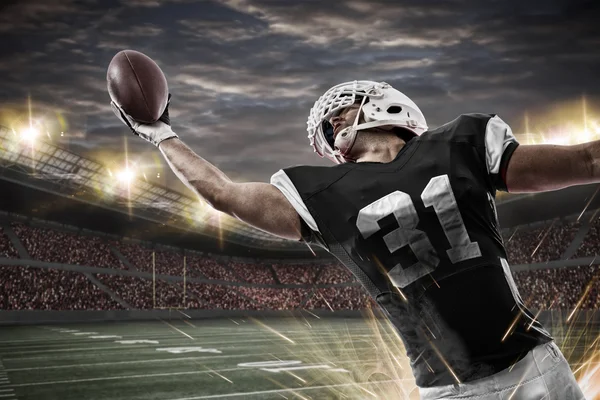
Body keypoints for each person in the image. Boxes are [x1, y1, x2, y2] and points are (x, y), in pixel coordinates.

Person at [111, 80, 587, 399]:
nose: (332, 123)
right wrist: (161, 134)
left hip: (533, 363)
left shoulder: (460, 141)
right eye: (328, 123)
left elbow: (585, 161)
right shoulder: (323, 192)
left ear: (383, 103)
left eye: (340, 110)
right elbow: (223, 194)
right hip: (450, 388)